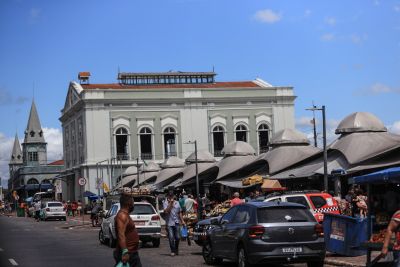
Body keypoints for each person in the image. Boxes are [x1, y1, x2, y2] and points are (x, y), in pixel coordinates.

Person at [114, 193, 142, 267]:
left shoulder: (126, 215)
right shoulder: (122, 215)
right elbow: (121, 234)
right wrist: (125, 252)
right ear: (128, 203)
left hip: (132, 253)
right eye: (133, 202)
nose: (133, 205)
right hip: (128, 254)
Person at [163, 191, 185, 256]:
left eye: (172, 196)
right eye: (170, 196)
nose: (171, 197)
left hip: (176, 222)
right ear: (168, 197)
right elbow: (166, 211)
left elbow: (179, 212)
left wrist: (182, 221)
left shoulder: (177, 203)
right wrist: (171, 203)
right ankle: (172, 250)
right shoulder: (165, 203)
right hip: (169, 223)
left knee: (178, 237)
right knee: (171, 237)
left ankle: (176, 248)